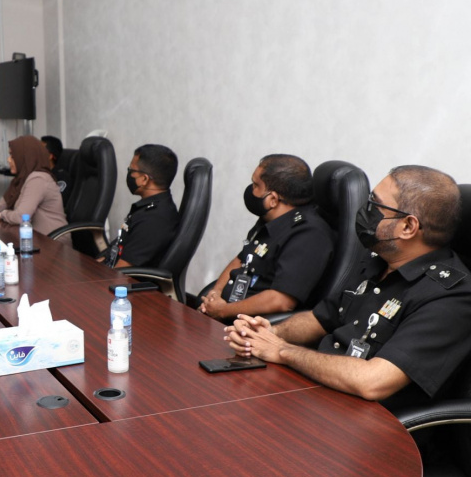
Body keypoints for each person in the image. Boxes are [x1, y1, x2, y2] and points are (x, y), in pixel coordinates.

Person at [224, 165, 471, 414]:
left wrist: (282, 350)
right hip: (319, 393)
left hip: (368, 421)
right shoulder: (379, 261)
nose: (366, 210)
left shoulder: (451, 296)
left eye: (376, 204)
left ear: (408, 227)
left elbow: (372, 382)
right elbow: (320, 319)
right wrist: (268, 332)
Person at [200, 154, 334, 321]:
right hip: (223, 313)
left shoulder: (309, 235)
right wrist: (215, 294)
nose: (251, 190)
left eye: (256, 185)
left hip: (248, 326)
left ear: (272, 199)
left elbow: (281, 301)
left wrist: (223, 311)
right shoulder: (272, 218)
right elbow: (243, 259)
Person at [104, 144, 179, 269]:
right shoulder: (149, 207)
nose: (129, 174)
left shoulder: (155, 220)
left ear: (144, 179)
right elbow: (116, 248)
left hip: (119, 279)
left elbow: (121, 271)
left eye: (131, 170)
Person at [41, 135, 72, 206]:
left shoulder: (61, 177)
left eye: (39, 150)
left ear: (50, 156)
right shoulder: (37, 173)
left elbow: (55, 204)